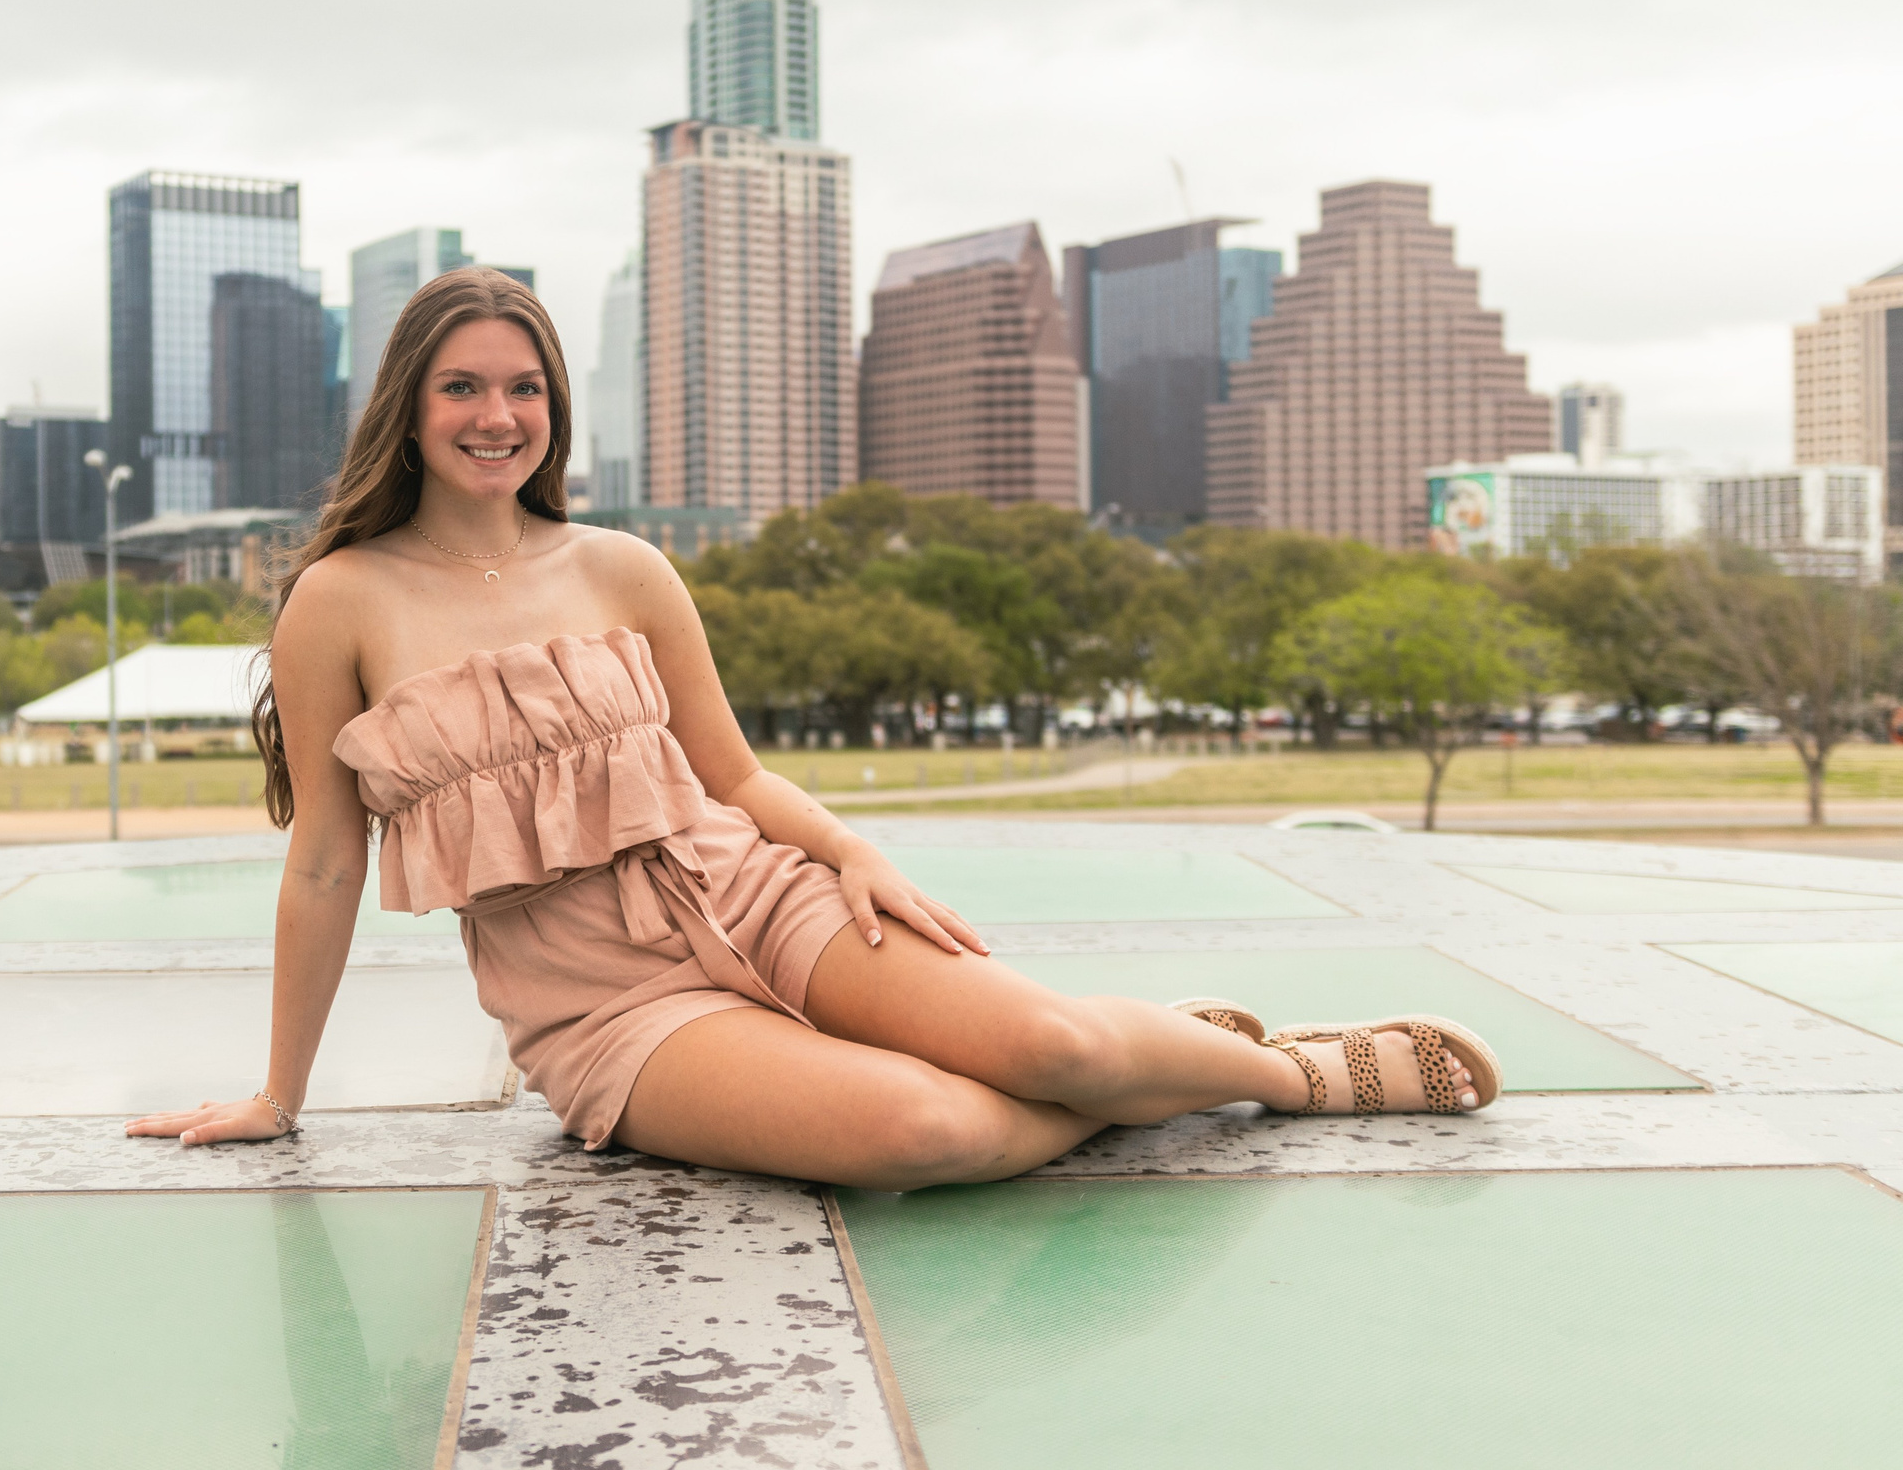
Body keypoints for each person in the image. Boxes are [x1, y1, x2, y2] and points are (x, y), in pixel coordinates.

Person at [129, 269, 1499, 1190]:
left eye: (525, 388)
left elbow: (729, 773)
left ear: (556, 408)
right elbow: (327, 862)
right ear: (409, 407)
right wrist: (278, 1092)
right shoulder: (341, 601)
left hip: (758, 892)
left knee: (1060, 1053)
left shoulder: (623, 568)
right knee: (920, 1127)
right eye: (463, 388)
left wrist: (851, 851)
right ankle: (1161, 1069)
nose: (498, 417)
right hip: (605, 1006)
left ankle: (1273, 1070)